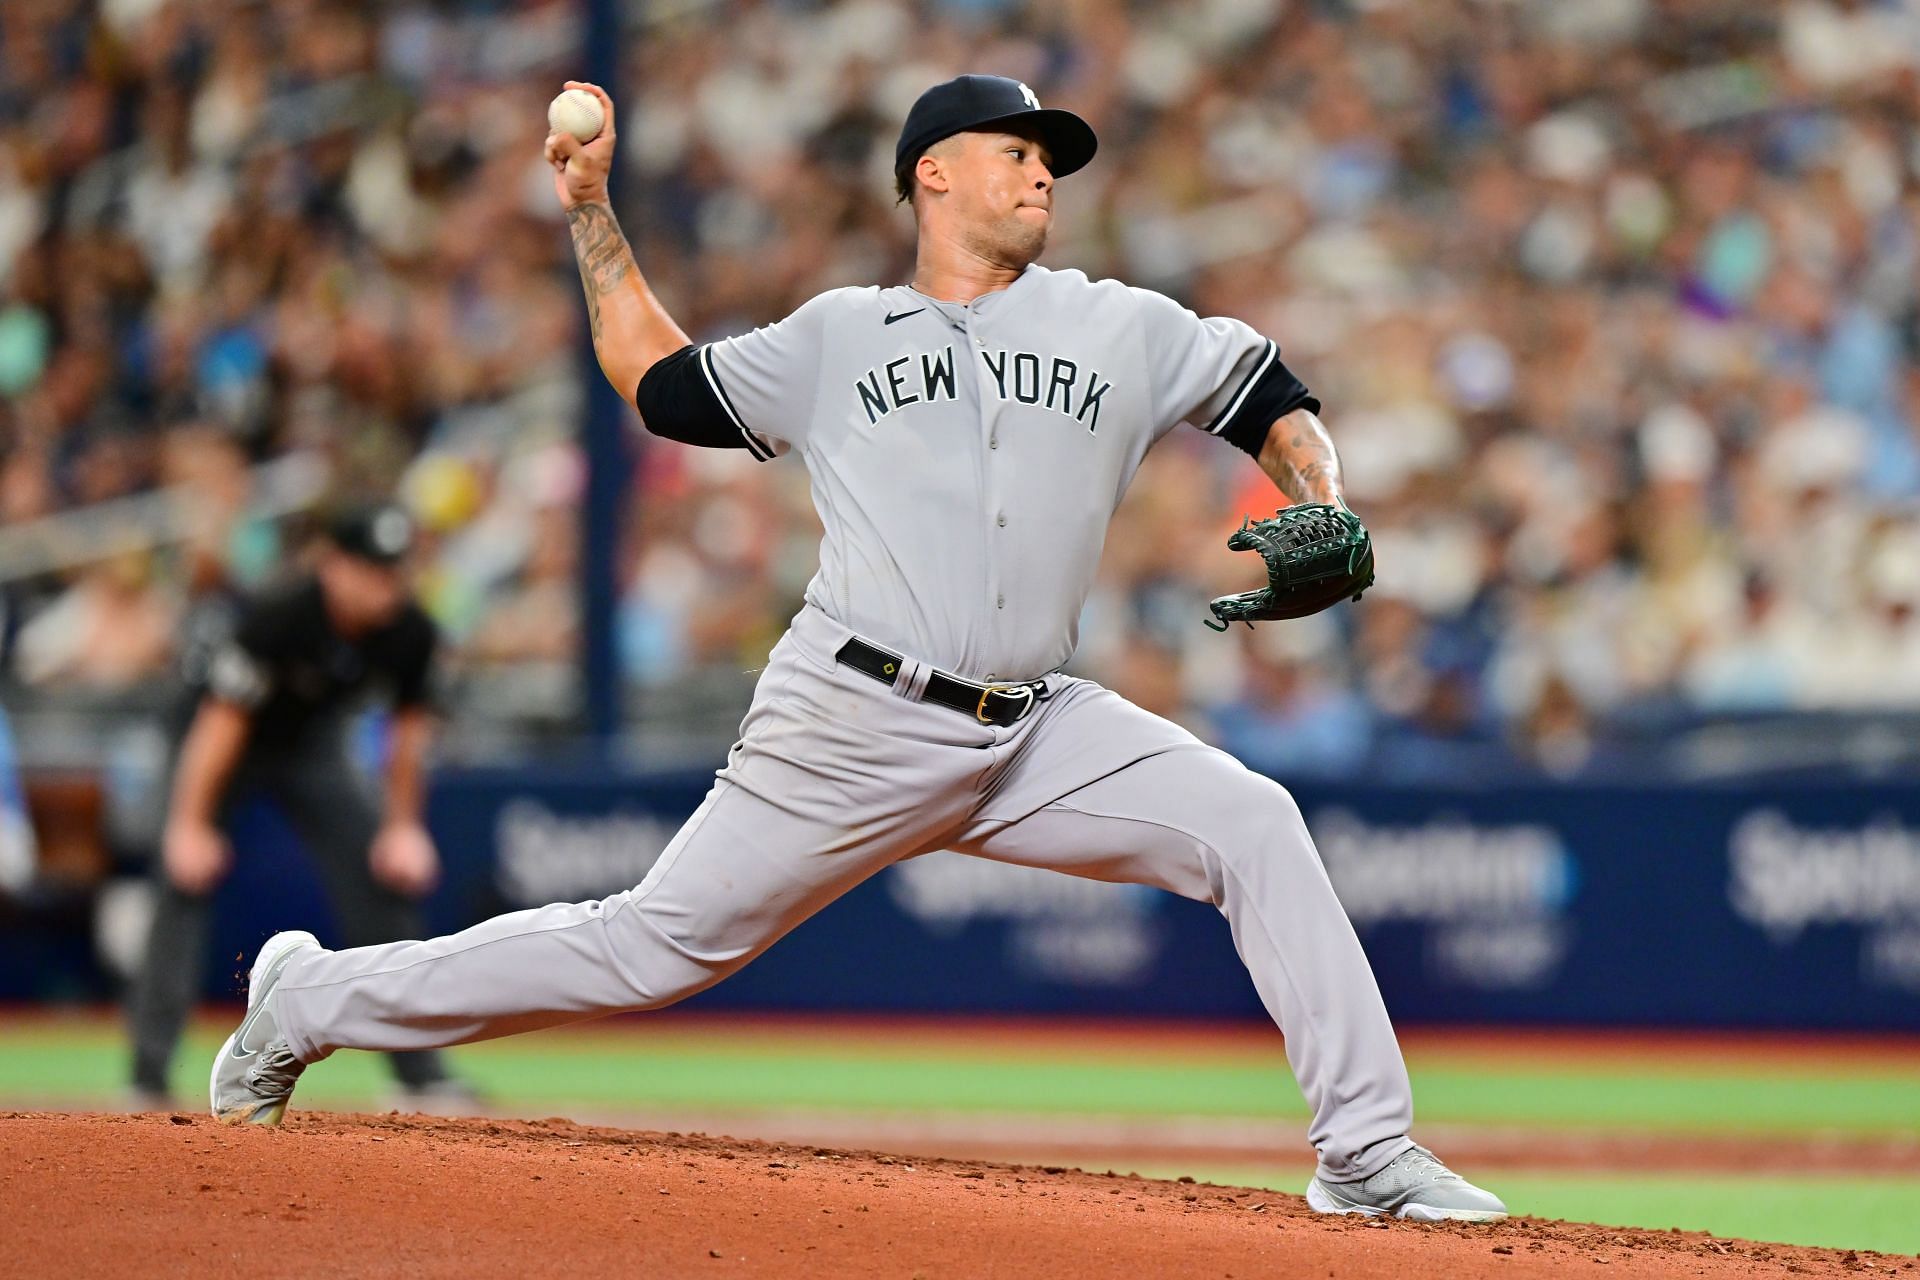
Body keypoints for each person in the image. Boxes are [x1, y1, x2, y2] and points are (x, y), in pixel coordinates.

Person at [211, 76, 1504, 1222]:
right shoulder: (839, 334)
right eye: (1015, 149)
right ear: (932, 173)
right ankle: (307, 1004)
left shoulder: (1120, 322)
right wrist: (591, 216)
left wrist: (1320, 497)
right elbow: (655, 382)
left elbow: (1272, 396)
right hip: (851, 715)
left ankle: (1367, 1154)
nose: (1042, 169)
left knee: (1254, 823)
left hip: (1037, 728)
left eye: (1050, 155)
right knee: (651, 947)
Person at [129, 503, 466, 1109]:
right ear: (334, 566)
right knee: (180, 879)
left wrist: (402, 827)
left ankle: (422, 1076)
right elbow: (220, 724)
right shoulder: (280, 615)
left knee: (379, 875)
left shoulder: (410, 630)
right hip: (219, 747)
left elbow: (409, 734)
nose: (384, 584)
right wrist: (188, 826)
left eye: (393, 570)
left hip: (310, 746)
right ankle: (147, 1076)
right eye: (369, 569)